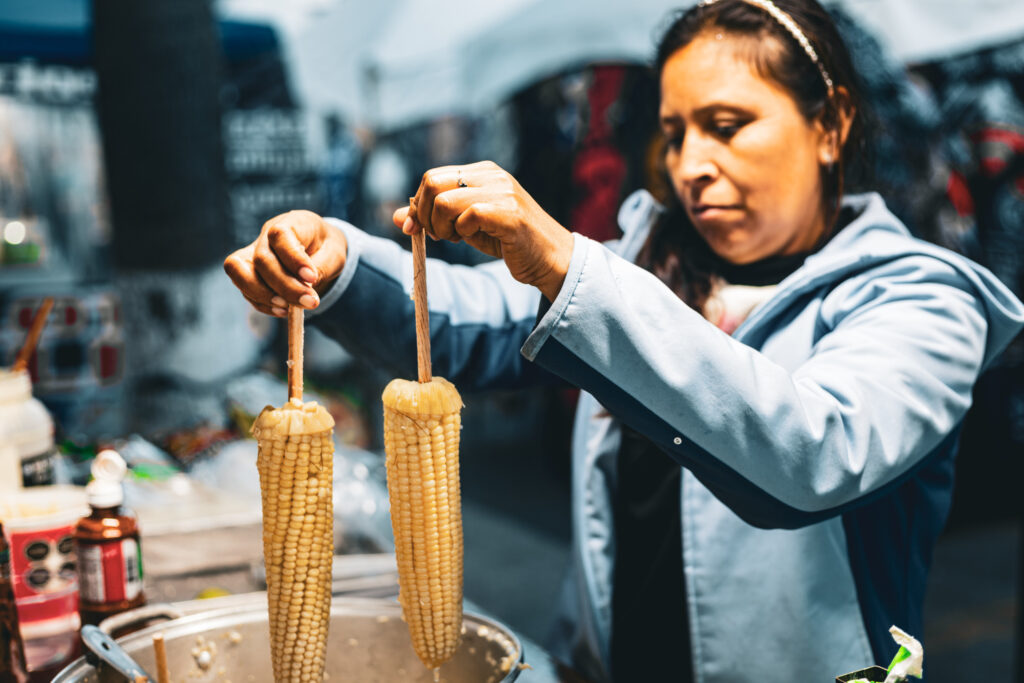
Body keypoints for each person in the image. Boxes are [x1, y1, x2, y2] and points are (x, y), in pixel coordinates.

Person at [223, 1, 1024, 680]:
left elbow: (813, 453)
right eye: (676, 133)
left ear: (831, 126)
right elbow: (460, 321)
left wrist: (572, 265)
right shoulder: (650, 264)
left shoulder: (921, 297)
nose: (691, 166)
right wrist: (336, 261)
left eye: (727, 125)